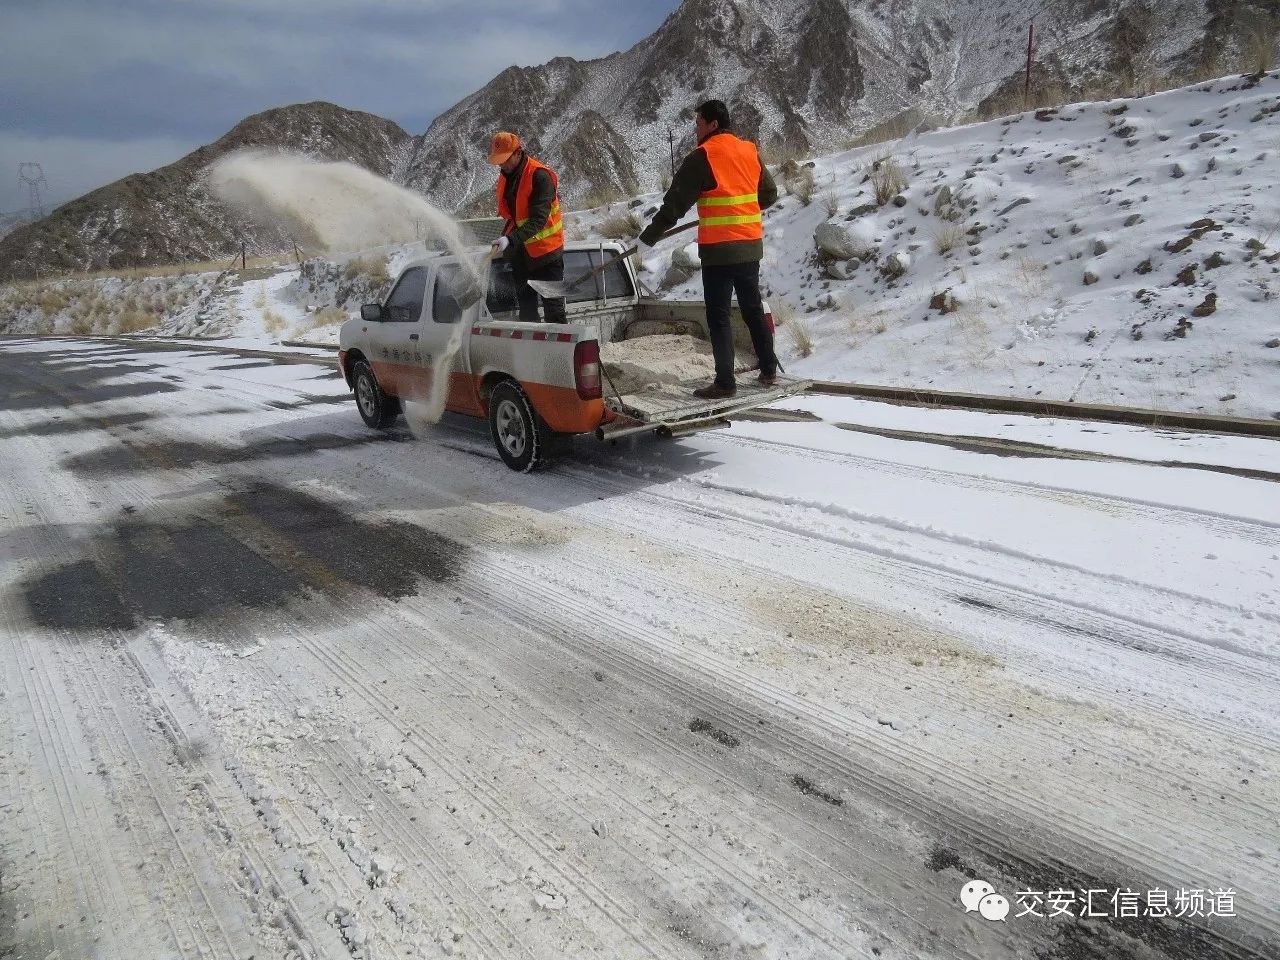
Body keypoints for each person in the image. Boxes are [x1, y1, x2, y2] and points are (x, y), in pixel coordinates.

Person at [639, 100, 779, 399]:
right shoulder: (749, 150)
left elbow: (674, 205)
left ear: (712, 124)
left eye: (699, 123)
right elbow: (769, 194)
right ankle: (768, 369)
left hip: (719, 250)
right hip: (750, 246)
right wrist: (744, 208)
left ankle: (726, 383)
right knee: (752, 308)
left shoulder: (703, 156)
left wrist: (648, 237)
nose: (696, 130)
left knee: (719, 315)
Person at [487, 131, 566, 324]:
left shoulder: (539, 176)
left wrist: (510, 239)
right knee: (527, 311)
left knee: (553, 310)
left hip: (547, 255)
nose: (502, 165)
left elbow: (538, 221)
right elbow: (513, 216)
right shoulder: (507, 176)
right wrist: (506, 238)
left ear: (518, 153)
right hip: (521, 256)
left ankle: (562, 354)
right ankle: (533, 352)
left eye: (506, 159)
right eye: (499, 161)